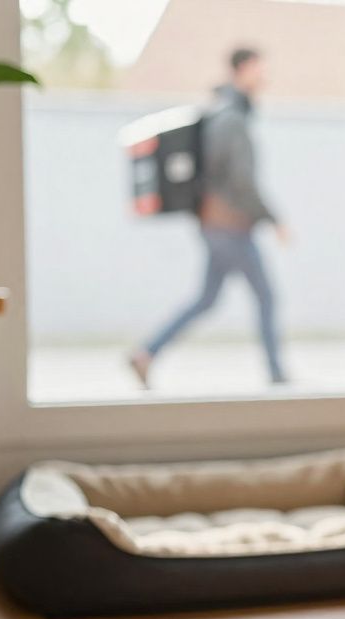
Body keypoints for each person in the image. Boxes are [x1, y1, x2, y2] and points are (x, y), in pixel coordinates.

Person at [130, 47, 289, 387]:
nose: (265, 76)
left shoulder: (222, 114)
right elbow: (241, 180)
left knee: (206, 299)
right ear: (243, 69)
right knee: (266, 295)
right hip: (229, 226)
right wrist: (274, 219)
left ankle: (146, 353)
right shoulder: (231, 118)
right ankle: (277, 375)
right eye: (260, 68)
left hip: (216, 225)